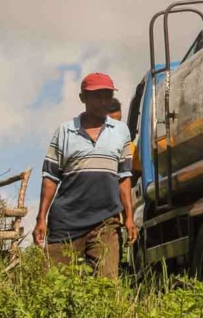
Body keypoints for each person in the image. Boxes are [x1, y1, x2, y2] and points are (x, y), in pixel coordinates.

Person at [33, 72, 138, 279]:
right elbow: (50, 178)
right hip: (66, 222)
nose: (103, 101)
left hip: (105, 221)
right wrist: (41, 218)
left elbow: (124, 177)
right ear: (83, 98)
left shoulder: (121, 132)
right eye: (97, 96)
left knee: (106, 285)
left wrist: (129, 217)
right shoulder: (65, 131)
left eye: (107, 96)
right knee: (55, 286)